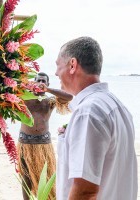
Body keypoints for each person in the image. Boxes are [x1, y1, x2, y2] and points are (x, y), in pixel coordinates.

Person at [55, 36, 138, 199]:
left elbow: (85, 191)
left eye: (58, 65)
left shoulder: (88, 112)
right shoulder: (117, 106)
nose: (56, 73)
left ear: (73, 65)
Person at [17, 72, 73, 200]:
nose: (41, 83)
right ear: (34, 82)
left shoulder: (50, 101)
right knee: (26, 178)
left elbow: (69, 97)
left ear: (47, 84)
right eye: (38, 81)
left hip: (44, 145)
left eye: (44, 81)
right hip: (25, 143)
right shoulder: (23, 98)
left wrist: (47, 90)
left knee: (48, 177)